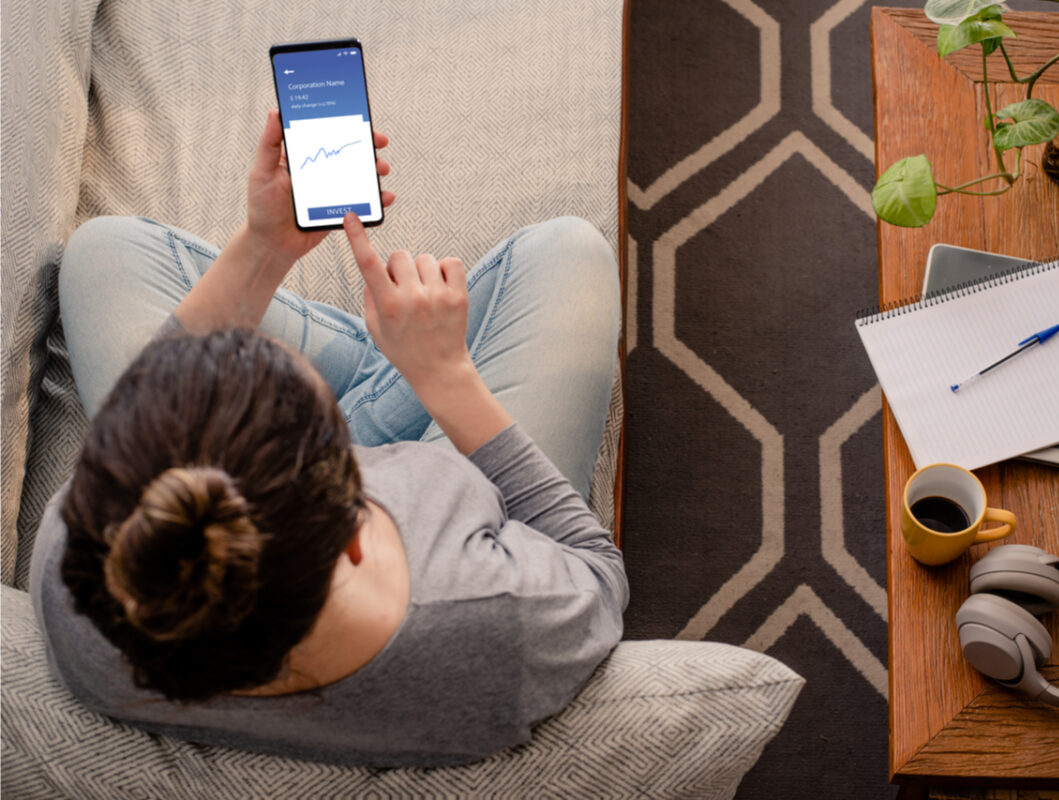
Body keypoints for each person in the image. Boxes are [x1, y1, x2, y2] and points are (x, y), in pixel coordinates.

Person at [29, 110, 627, 767]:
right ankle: (394, 360)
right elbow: (593, 568)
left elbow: (148, 397)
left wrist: (265, 249)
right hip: (447, 461)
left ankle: (382, 359)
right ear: (357, 513)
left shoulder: (83, 568)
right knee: (565, 252)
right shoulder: (486, 619)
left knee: (104, 251)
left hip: (286, 502)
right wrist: (445, 377)